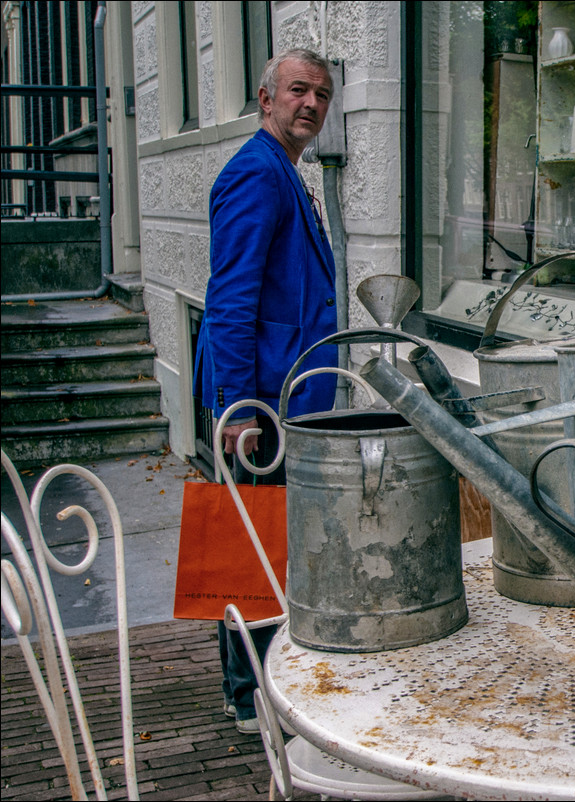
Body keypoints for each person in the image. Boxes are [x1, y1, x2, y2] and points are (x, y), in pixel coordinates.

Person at [193, 48, 337, 735]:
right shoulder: (256, 172)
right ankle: (248, 692)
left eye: (322, 94)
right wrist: (235, 406)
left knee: (261, 542)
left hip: (278, 394)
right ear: (266, 98)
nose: (311, 103)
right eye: (299, 90)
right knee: (248, 545)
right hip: (261, 402)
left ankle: (251, 684)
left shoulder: (283, 169)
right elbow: (230, 298)